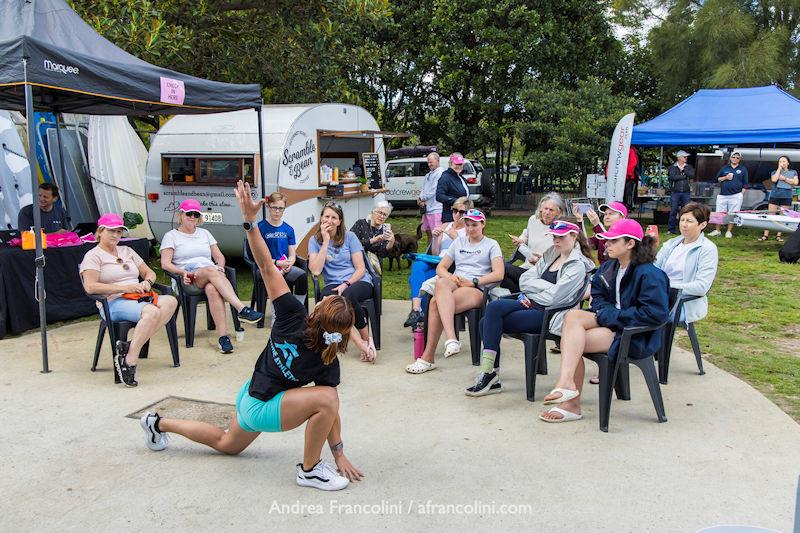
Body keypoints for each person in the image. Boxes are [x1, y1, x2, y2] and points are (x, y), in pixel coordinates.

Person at [137, 180, 363, 492]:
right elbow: (329, 408)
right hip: (261, 405)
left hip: (251, 394)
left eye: (323, 302)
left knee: (226, 443)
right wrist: (339, 455)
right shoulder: (326, 353)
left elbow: (267, 268)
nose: (320, 299)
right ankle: (309, 470)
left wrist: (249, 221)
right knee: (327, 398)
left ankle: (157, 422)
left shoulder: (294, 318)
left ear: (318, 314)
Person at [539, 219, 669, 423]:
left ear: (630, 244)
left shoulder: (650, 274)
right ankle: (566, 384)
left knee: (571, 342)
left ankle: (570, 401)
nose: (606, 244)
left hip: (633, 335)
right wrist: (606, 313)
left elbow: (655, 314)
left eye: (613, 240)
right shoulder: (610, 266)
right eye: (606, 240)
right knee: (572, 318)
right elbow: (597, 295)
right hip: (611, 323)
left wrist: (612, 316)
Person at [465, 221, 595, 396]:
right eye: (554, 236)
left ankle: (490, 375)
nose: (556, 240)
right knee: (494, 308)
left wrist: (532, 292)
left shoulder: (577, 265)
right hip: (531, 303)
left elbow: (554, 297)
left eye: (561, 237)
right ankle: (489, 373)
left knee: (484, 322)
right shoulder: (553, 253)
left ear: (573, 236)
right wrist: (534, 291)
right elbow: (525, 279)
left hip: (550, 314)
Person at [80, 213, 178, 387]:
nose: (116, 235)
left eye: (119, 232)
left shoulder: (127, 251)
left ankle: (130, 348)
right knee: (152, 311)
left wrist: (147, 282)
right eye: (112, 231)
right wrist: (124, 288)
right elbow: (90, 287)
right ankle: (130, 361)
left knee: (170, 301)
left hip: (138, 296)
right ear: (100, 231)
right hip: (112, 302)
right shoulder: (93, 256)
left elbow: (150, 272)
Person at [405, 209, 504, 374]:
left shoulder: (491, 244)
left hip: (476, 288)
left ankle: (428, 357)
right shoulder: (459, 242)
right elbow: (441, 267)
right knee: (442, 282)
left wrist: (475, 281)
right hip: (456, 283)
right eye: (467, 225)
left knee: (436, 303)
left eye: (474, 225)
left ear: (483, 224)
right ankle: (451, 338)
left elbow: (499, 274)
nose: (470, 228)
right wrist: (451, 277)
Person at [160, 199, 263, 354]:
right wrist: (182, 273)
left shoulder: (204, 233)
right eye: (189, 213)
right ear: (181, 214)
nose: (192, 217)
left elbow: (220, 257)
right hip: (187, 277)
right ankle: (241, 309)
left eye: (196, 214)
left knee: (213, 289)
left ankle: (223, 338)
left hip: (208, 275)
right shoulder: (171, 236)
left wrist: (220, 268)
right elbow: (165, 264)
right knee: (210, 270)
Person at [308, 202, 377, 363]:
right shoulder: (314, 241)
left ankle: (366, 340)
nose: (330, 221)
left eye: (334, 217)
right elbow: (316, 271)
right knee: (333, 302)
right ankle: (363, 345)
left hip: (357, 281)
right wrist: (325, 242)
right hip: (332, 284)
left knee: (347, 294)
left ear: (340, 221)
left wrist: (346, 283)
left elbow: (360, 269)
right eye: (326, 216)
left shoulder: (350, 237)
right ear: (321, 219)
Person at [403, 196, 472, 327]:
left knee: (416, 279)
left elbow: (467, 255)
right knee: (417, 265)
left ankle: (419, 314)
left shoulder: (469, 230)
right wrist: (435, 238)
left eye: (462, 212)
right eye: (455, 210)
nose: (457, 214)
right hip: (437, 260)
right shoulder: (446, 225)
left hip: (452, 265)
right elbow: (435, 252)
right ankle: (417, 309)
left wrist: (456, 238)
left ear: (468, 214)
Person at [655, 202, 718, 324]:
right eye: (682, 220)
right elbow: (654, 269)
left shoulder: (707, 249)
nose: (684, 224)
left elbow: (701, 287)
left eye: (689, 221)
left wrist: (667, 287)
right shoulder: (671, 244)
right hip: (659, 297)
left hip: (682, 303)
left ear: (702, 224)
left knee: (644, 316)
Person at [501, 192, 565, 292]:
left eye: (551, 210)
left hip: (543, 273)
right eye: (545, 208)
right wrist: (521, 240)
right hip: (527, 267)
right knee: (499, 274)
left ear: (558, 212)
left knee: (501, 268)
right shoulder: (533, 220)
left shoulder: (560, 230)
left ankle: (521, 295)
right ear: (540, 208)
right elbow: (526, 234)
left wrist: (542, 262)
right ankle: (522, 295)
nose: (547, 212)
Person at [257, 192, 308, 301]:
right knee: (277, 278)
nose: (277, 211)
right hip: (266, 267)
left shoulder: (288, 229)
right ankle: (278, 314)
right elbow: (258, 256)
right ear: (268, 206)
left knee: (301, 276)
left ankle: (298, 306)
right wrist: (276, 263)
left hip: (284, 267)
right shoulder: (260, 228)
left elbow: (292, 254)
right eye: (274, 207)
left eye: (281, 208)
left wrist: (289, 263)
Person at [574, 201, 627, 265]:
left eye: (611, 214)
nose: (607, 217)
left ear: (622, 217)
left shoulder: (626, 234)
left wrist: (597, 225)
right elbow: (585, 245)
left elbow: (609, 248)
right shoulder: (602, 234)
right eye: (605, 214)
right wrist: (580, 221)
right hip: (603, 271)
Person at [709, 151, 748, 238]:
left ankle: (729, 231)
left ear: (740, 159)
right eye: (734, 157)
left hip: (736, 195)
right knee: (719, 212)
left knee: (732, 213)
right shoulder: (725, 168)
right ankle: (717, 230)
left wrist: (741, 194)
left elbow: (745, 183)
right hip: (723, 194)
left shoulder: (743, 169)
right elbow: (717, 179)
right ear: (730, 158)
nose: (735, 159)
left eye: (737, 158)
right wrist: (726, 177)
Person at [760, 156, 798, 242]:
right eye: (780, 161)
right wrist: (779, 169)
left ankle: (778, 236)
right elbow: (774, 179)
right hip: (775, 195)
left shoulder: (793, 172)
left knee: (783, 216)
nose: (782, 163)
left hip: (787, 196)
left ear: (788, 163)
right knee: (771, 215)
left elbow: (795, 182)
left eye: (784, 161)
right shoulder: (774, 172)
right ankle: (765, 235)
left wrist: (784, 178)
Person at [436, 152, 471, 223]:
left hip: (463, 215)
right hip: (450, 217)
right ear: (451, 164)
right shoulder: (445, 177)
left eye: (460, 164)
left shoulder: (461, 178)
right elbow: (439, 196)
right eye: (456, 164)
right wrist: (457, 202)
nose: (459, 166)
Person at [418, 152, 445, 243]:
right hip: (427, 209)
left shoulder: (441, 173)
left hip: (436, 208)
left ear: (437, 161)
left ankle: (437, 254)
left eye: (431, 162)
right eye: (428, 162)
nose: (429, 164)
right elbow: (423, 188)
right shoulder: (428, 174)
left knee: (437, 233)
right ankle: (429, 252)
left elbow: (433, 190)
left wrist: (422, 198)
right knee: (428, 232)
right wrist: (420, 198)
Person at [667, 150, 695, 235]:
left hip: (686, 192)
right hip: (675, 192)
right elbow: (672, 177)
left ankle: (684, 230)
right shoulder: (672, 167)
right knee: (673, 211)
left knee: (686, 212)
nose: (686, 158)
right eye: (684, 157)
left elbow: (692, 175)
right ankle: (671, 229)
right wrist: (683, 176)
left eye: (686, 157)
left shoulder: (688, 167)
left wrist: (684, 171)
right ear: (679, 158)